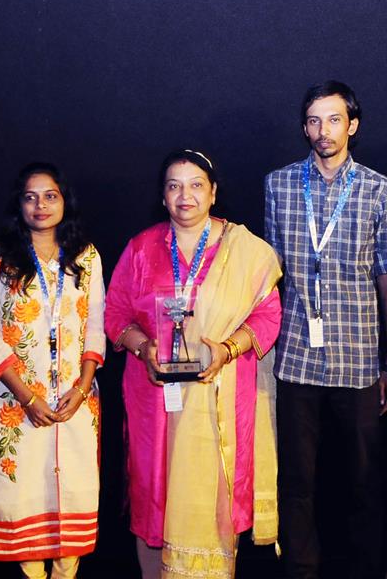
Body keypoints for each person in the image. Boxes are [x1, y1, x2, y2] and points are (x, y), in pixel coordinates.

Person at [105, 149, 282, 578]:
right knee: (153, 498)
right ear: (163, 196)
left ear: (214, 192)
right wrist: (143, 346)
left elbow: (268, 316)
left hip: (222, 399)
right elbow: (114, 316)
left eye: (196, 185)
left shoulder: (247, 251)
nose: (185, 195)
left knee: (213, 494)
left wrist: (228, 349)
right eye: (174, 186)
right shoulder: (142, 249)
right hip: (154, 401)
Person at [263, 80, 387, 578]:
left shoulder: (381, 189)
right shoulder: (278, 184)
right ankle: (301, 570)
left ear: (353, 125)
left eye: (335, 119)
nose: (324, 130)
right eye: (315, 120)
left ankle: (362, 569)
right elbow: (269, 271)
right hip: (296, 355)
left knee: (362, 481)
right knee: (297, 480)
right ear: (304, 127)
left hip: (359, 359)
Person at [0, 163, 105, 579]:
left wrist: (83, 388)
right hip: (15, 401)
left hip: (74, 402)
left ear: (65, 201)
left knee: (72, 498)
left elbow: (98, 326)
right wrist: (26, 396)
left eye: (50, 195)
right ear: (19, 204)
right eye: (30, 197)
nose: (41, 205)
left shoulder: (86, 257)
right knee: (23, 497)